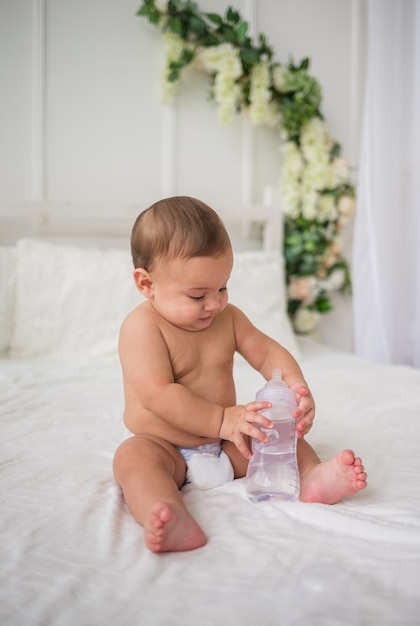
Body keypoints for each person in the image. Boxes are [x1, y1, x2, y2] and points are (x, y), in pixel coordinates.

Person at [113, 196, 367, 553]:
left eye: (222, 287)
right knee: (132, 461)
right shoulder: (141, 328)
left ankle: (311, 478)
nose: (215, 304)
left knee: (276, 431)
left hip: (227, 444)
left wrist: (297, 388)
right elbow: (156, 394)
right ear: (146, 284)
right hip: (165, 445)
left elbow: (266, 351)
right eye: (198, 295)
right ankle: (166, 511)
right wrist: (220, 418)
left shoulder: (226, 318)